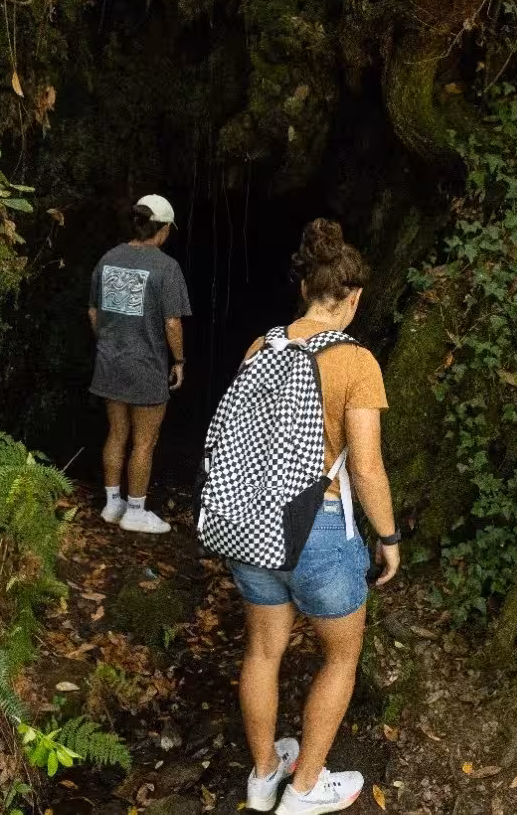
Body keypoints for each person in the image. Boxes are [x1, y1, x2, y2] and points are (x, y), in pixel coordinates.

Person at [230, 219, 401, 815]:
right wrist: (389, 537)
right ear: (351, 299)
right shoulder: (357, 363)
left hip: (251, 525)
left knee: (262, 652)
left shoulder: (261, 347)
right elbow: (368, 468)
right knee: (341, 655)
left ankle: (262, 776)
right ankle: (304, 789)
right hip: (321, 530)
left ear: (304, 289)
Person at [88, 194, 192, 534]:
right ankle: (135, 510)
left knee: (116, 433)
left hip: (110, 362)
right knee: (144, 441)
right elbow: (173, 322)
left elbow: (93, 311)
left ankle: (111, 503)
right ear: (161, 229)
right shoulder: (166, 267)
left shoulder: (108, 259)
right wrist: (178, 360)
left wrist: (107, 341)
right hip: (145, 366)